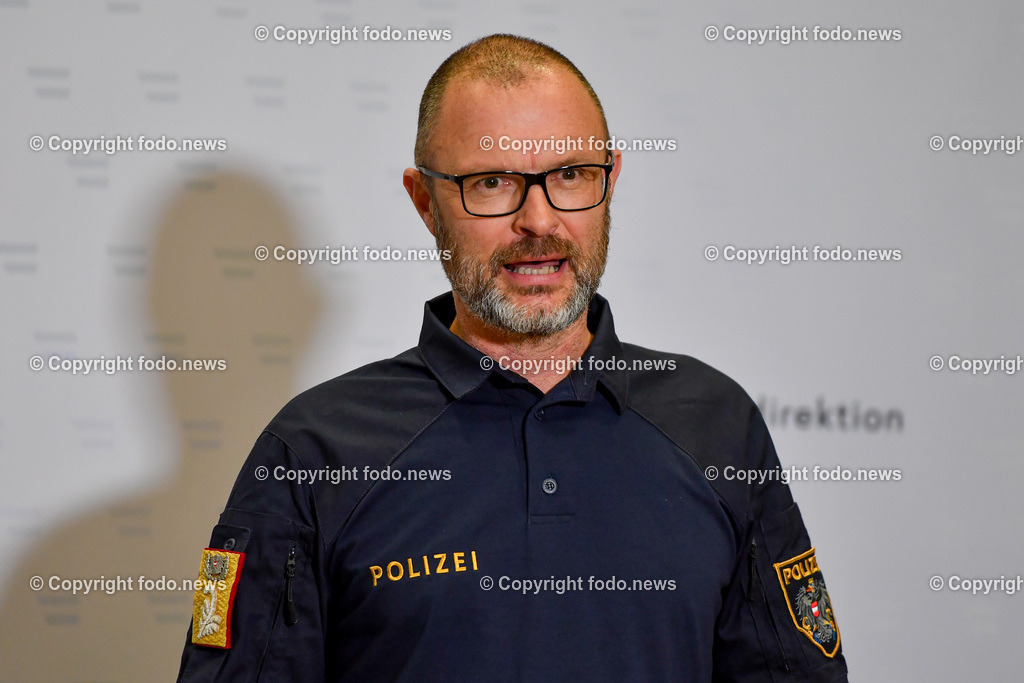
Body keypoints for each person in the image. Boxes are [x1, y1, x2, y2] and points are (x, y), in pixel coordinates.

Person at [177, 34, 849, 681]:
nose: (539, 220)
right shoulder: (314, 449)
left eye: (570, 175)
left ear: (609, 182)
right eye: (493, 182)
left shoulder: (716, 423)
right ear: (424, 201)